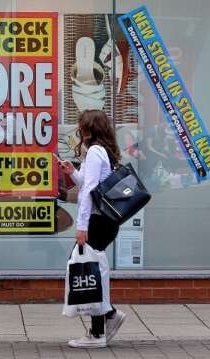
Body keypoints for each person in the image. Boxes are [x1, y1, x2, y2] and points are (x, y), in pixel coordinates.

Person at [57, 109, 126, 348]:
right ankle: (108, 317)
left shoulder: (96, 151)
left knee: (87, 270)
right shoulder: (98, 151)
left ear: (89, 128)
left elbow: (88, 191)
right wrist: (72, 173)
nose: (79, 129)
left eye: (81, 125)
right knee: (88, 269)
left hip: (98, 221)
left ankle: (98, 332)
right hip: (104, 221)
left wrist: (81, 226)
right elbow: (87, 184)